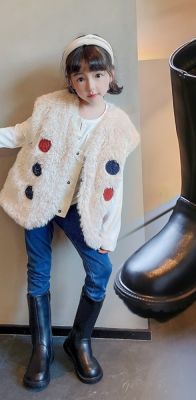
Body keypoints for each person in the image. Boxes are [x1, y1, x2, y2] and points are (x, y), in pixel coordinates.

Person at [0, 34, 139, 389]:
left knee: (100, 270)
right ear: (70, 80)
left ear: (110, 75)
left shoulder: (120, 127)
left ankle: (79, 340)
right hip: (40, 200)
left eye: (98, 75)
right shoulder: (51, 107)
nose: (90, 85)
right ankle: (42, 348)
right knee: (38, 272)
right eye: (80, 77)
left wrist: (108, 234)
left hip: (80, 210)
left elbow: (115, 186)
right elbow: (19, 135)